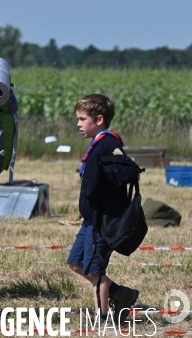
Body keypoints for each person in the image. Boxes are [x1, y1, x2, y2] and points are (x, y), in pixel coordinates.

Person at [67, 94, 139, 322]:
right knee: (76, 263)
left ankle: (103, 319)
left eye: (82, 119)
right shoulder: (98, 143)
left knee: (95, 271)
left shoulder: (109, 143)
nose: (78, 124)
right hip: (90, 220)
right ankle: (121, 293)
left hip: (102, 221)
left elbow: (126, 172)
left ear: (99, 119)